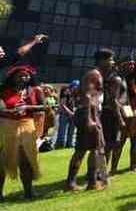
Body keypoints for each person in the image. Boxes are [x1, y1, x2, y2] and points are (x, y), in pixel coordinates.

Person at [0, 65, 45, 200]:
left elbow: (43, 106)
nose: (23, 78)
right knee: (1, 161)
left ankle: (28, 192)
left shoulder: (35, 90)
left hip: (27, 126)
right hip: (5, 126)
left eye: (26, 75)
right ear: (12, 77)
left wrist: (27, 106)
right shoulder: (3, 89)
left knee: (26, 160)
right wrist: (8, 111)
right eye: (20, 75)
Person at [65, 68, 107, 192]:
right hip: (89, 113)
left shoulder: (94, 75)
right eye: (110, 60)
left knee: (84, 150)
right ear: (102, 61)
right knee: (92, 149)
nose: (113, 63)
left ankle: (73, 182)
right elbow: (89, 97)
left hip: (90, 113)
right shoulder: (94, 75)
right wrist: (90, 118)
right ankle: (91, 183)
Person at [96, 48, 126, 175]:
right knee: (108, 144)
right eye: (111, 60)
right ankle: (101, 172)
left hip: (109, 113)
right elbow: (113, 101)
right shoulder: (114, 79)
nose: (113, 62)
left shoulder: (116, 78)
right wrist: (120, 119)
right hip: (110, 114)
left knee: (108, 144)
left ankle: (100, 171)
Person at [55, 81, 78, 149]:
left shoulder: (77, 93)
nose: (75, 89)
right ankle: (60, 144)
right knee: (62, 130)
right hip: (64, 113)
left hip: (73, 114)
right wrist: (70, 112)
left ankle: (69, 144)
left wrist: (74, 112)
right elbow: (63, 104)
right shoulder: (65, 91)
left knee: (71, 130)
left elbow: (76, 103)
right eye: (75, 87)